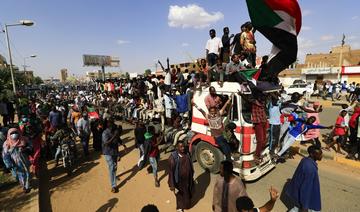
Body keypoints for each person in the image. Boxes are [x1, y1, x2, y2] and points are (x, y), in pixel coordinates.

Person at [195, 94, 233, 160]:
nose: (213, 114)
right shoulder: (208, 117)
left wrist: (229, 99)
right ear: (209, 112)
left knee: (227, 146)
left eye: (214, 112)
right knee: (224, 148)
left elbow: (225, 106)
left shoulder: (219, 114)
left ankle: (228, 156)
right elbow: (201, 110)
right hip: (217, 136)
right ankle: (228, 159)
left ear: (216, 111)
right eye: (211, 112)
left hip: (223, 134)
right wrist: (194, 104)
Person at [286, 145, 323, 212]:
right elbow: (306, 188)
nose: (321, 156)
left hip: (299, 196)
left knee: (296, 209)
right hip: (308, 199)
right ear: (311, 154)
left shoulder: (305, 160)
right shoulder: (310, 168)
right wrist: (305, 207)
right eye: (319, 154)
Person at [2, 128, 32, 193]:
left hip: (24, 160)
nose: (14, 134)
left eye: (15, 132)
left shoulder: (24, 139)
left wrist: (27, 149)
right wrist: (8, 164)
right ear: (9, 134)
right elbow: (5, 155)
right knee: (19, 175)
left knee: (27, 172)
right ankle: (24, 184)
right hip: (15, 162)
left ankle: (26, 186)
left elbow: (30, 146)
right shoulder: (6, 143)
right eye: (12, 133)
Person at [168, 142, 194, 212]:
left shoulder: (187, 154)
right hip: (179, 181)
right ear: (177, 148)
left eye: (183, 146)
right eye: (181, 147)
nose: (183, 148)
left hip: (187, 180)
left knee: (187, 193)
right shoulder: (173, 158)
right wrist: (172, 185)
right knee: (179, 195)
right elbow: (171, 173)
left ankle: (186, 205)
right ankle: (179, 208)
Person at [102, 119, 121, 193]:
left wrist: (123, 144)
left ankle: (114, 176)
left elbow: (118, 139)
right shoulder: (105, 133)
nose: (114, 125)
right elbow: (106, 143)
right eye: (112, 124)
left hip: (114, 152)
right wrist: (114, 136)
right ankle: (113, 186)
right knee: (112, 167)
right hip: (107, 152)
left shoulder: (115, 131)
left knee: (115, 166)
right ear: (109, 125)